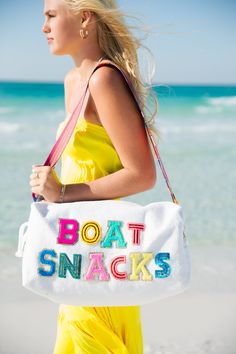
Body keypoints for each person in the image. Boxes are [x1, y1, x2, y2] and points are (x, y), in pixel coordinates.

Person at [30, 0, 159, 352]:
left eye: (51, 15)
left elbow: (142, 174)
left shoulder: (103, 78)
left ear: (85, 17)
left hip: (100, 251)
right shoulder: (74, 80)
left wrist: (63, 192)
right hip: (80, 249)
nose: (44, 27)